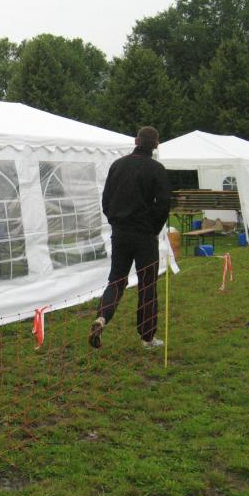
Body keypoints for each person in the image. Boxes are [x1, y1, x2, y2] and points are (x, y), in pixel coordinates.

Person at [89, 125, 170, 349]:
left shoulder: (118, 165)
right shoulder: (157, 169)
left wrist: (115, 221)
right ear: (156, 145)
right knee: (147, 285)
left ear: (136, 141)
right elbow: (164, 204)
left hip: (121, 233)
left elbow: (106, 200)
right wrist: (153, 228)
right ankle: (147, 337)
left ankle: (102, 317)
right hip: (145, 236)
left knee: (116, 280)